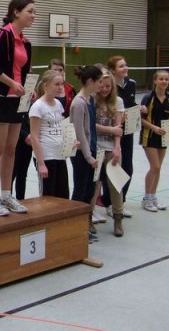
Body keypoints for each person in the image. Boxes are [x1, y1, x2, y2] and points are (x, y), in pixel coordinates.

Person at [0, 0, 35, 216]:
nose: (33, 15)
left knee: (11, 149)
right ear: (16, 12)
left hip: (17, 101)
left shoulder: (26, 42)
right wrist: (11, 83)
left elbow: (24, 71)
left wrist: (29, 89)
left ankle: (6, 195)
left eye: (34, 12)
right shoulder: (2, 34)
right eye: (30, 11)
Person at [103, 56, 140, 218]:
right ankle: (109, 203)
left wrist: (139, 108)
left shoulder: (131, 84)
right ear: (112, 70)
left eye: (125, 65)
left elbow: (131, 104)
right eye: (121, 66)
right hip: (113, 130)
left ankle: (120, 202)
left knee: (128, 168)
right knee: (112, 168)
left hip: (128, 130)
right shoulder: (109, 87)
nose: (125, 68)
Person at [140, 70, 169, 212]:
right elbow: (141, 119)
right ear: (155, 81)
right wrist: (154, 128)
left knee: (158, 168)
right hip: (149, 136)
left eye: (166, 79)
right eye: (161, 79)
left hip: (163, 137)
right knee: (155, 166)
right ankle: (146, 199)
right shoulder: (148, 98)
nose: (164, 81)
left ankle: (153, 197)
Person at [70, 65, 103, 239]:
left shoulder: (90, 99)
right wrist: (89, 156)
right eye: (99, 82)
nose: (101, 85)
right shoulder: (78, 103)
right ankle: (74, 230)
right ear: (90, 81)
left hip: (91, 151)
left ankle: (84, 224)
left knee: (89, 191)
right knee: (80, 191)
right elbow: (79, 132)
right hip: (82, 154)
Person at [28, 70, 71, 199]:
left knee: (63, 195)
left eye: (62, 84)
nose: (61, 87)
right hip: (46, 156)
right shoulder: (38, 107)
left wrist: (71, 142)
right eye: (57, 84)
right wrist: (41, 164)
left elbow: (61, 127)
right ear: (46, 85)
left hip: (59, 155)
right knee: (48, 197)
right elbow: (34, 137)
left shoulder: (58, 104)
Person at [95, 72, 126, 236]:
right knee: (94, 184)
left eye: (108, 86)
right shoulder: (92, 99)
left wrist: (117, 148)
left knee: (115, 184)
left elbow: (118, 128)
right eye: (102, 85)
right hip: (95, 147)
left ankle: (118, 218)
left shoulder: (118, 101)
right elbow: (90, 125)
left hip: (111, 148)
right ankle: (88, 217)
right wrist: (110, 130)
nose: (105, 89)